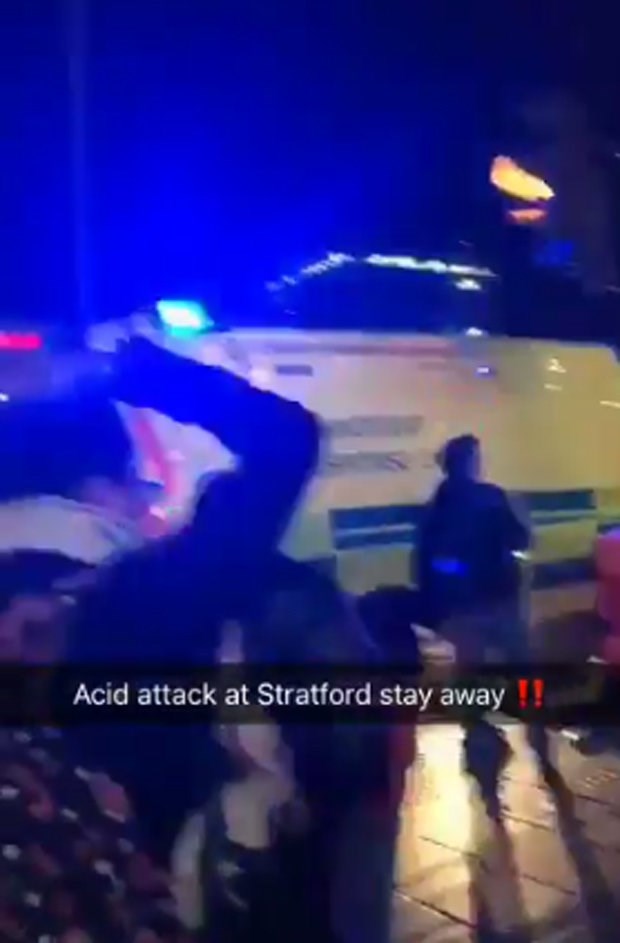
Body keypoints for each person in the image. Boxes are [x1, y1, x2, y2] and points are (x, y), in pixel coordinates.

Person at [0, 336, 321, 867]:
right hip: (147, 885)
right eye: (137, 481)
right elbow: (287, 439)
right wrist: (138, 372)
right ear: (98, 486)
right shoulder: (153, 590)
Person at [415, 434, 557, 811]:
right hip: (499, 602)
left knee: (470, 681)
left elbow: (425, 565)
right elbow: (520, 538)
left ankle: (482, 752)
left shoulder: (434, 508)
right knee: (523, 673)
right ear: (471, 462)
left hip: (461, 612)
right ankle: (540, 743)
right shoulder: (492, 497)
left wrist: (436, 612)